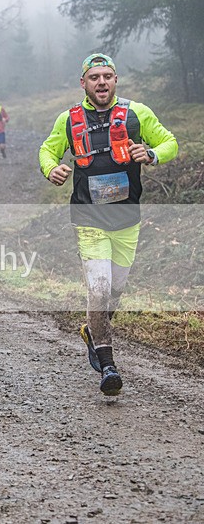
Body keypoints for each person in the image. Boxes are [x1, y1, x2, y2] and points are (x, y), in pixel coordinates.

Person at [38, 53, 178, 396]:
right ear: (83, 83)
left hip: (127, 219)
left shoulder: (137, 114)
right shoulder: (68, 119)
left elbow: (170, 142)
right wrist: (50, 169)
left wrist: (153, 154)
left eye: (108, 76)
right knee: (99, 288)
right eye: (95, 77)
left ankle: (91, 330)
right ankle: (108, 365)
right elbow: (47, 150)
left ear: (116, 81)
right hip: (88, 218)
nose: (102, 82)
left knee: (114, 291)